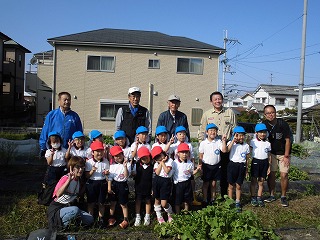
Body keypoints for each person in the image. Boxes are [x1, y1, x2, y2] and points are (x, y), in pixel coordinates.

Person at [198, 91, 237, 198]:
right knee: (210, 174)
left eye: (219, 99)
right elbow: (201, 131)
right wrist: (203, 145)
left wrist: (233, 144)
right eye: (215, 99)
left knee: (225, 171)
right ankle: (209, 197)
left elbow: (235, 130)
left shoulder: (230, 112)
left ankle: (224, 195)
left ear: (222, 100)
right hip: (211, 147)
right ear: (211, 101)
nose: (217, 101)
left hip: (225, 147)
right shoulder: (207, 114)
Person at [47, 156, 94, 230]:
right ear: (72, 168)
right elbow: (58, 194)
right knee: (75, 210)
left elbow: (78, 195)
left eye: (82, 167)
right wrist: (68, 181)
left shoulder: (79, 180)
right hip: (58, 207)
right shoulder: (65, 178)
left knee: (90, 219)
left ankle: (73, 222)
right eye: (78, 167)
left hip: (69, 207)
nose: (80, 170)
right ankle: (63, 227)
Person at [263, 105, 291, 207]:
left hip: (283, 153)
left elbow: (288, 140)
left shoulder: (282, 124)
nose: (271, 115)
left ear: (275, 113)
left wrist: (286, 156)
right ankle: (271, 195)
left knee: (284, 175)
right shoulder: (264, 124)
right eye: (268, 113)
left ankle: (283, 197)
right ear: (265, 115)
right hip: (271, 154)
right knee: (271, 175)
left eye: (272, 112)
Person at [170, 126, 201, 206]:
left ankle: (192, 199)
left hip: (187, 166)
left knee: (190, 183)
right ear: (176, 135)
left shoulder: (189, 145)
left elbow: (192, 157)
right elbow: (169, 154)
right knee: (177, 186)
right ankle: (177, 202)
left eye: (184, 134)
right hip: (178, 167)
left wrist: (193, 167)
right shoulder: (174, 145)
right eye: (180, 134)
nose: (182, 136)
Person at [198, 124, 227, 207]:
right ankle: (205, 199)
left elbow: (224, 150)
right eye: (211, 130)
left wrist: (224, 141)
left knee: (213, 184)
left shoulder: (218, 142)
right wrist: (200, 166)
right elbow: (200, 155)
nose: (213, 132)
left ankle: (212, 199)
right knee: (206, 184)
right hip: (206, 166)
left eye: (214, 130)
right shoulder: (203, 143)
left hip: (216, 166)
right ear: (207, 132)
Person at [85, 141, 110, 227]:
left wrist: (107, 173)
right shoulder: (89, 162)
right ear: (92, 152)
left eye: (101, 151)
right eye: (97, 151)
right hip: (92, 183)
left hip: (102, 183)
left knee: (101, 203)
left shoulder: (106, 161)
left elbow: (107, 174)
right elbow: (87, 175)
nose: (100, 153)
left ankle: (101, 219)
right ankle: (90, 219)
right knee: (91, 203)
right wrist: (92, 171)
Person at [172, 143, 201, 214]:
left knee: (187, 200)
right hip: (178, 184)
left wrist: (197, 170)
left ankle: (186, 213)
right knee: (177, 201)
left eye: (186, 152)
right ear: (178, 153)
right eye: (182, 152)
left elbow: (191, 173)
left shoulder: (190, 163)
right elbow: (171, 173)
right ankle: (178, 214)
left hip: (187, 183)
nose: (184, 154)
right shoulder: (175, 163)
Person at [226, 126, 250, 212]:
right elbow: (227, 150)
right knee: (230, 185)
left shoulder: (246, 146)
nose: (241, 137)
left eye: (242, 135)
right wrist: (233, 140)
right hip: (232, 165)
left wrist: (247, 169)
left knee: (239, 185)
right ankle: (230, 201)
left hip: (241, 166)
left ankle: (237, 202)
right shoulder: (231, 143)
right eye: (238, 135)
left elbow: (247, 158)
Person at [107, 146, 131, 229]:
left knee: (123, 204)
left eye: (119, 155)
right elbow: (110, 177)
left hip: (123, 185)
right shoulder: (112, 166)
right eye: (116, 156)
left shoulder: (127, 164)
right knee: (112, 202)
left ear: (122, 154)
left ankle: (126, 219)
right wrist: (109, 187)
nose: (118, 157)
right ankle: (111, 217)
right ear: (113, 157)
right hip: (114, 184)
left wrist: (124, 167)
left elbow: (126, 176)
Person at [249, 123, 271, 207]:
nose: (262, 134)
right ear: (256, 133)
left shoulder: (268, 144)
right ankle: (253, 196)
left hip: (264, 162)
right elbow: (249, 153)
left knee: (261, 181)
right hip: (255, 162)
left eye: (264, 132)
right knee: (254, 180)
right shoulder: (253, 142)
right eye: (260, 132)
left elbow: (269, 156)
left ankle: (259, 197)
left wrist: (269, 166)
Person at [152, 146, 174, 224]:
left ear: (163, 153)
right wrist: (161, 163)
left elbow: (167, 171)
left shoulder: (170, 161)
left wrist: (162, 163)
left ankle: (170, 213)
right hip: (157, 181)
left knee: (164, 203)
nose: (159, 158)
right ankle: (159, 216)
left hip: (166, 182)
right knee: (157, 199)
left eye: (160, 155)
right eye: (157, 158)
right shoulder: (156, 164)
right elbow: (157, 173)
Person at [133, 147, 153, 226]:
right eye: (143, 158)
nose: (145, 160)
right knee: (138, 201)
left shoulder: (152, 166)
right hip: (139, 187)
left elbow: (153, 178)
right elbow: (133, 174)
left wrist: (152, 189)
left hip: (148, 187)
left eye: (146, 157)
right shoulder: (137, 165)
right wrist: (133, 174)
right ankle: (138, 216)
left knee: (148, 201)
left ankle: (147, 216)